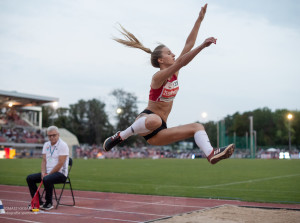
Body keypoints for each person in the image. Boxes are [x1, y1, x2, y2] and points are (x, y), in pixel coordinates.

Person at [103, 4, 235, 164]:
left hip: (159, 133)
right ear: (160, 60)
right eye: (168, 53)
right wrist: (202, 46)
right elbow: (182, 61)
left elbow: (188, 44)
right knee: (155, 120)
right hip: (147, 120)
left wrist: (199, 20)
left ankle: (211, 154)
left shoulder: (174, 72)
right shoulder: (158, 77)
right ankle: (120, 136)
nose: (173, 54)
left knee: (198, 127)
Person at [26, 126, 69, 210]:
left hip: (61, 174)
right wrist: (43, 172)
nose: (52, 137)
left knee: (47, 179)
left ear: (58, 135)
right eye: (49, 135)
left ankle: (49, 203)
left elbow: (60, 164)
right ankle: (38, 202)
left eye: (54, 135)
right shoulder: (46, 145)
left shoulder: (63, 145)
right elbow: (44, 160)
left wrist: (48, 174)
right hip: (48, 173)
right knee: (30, 178)